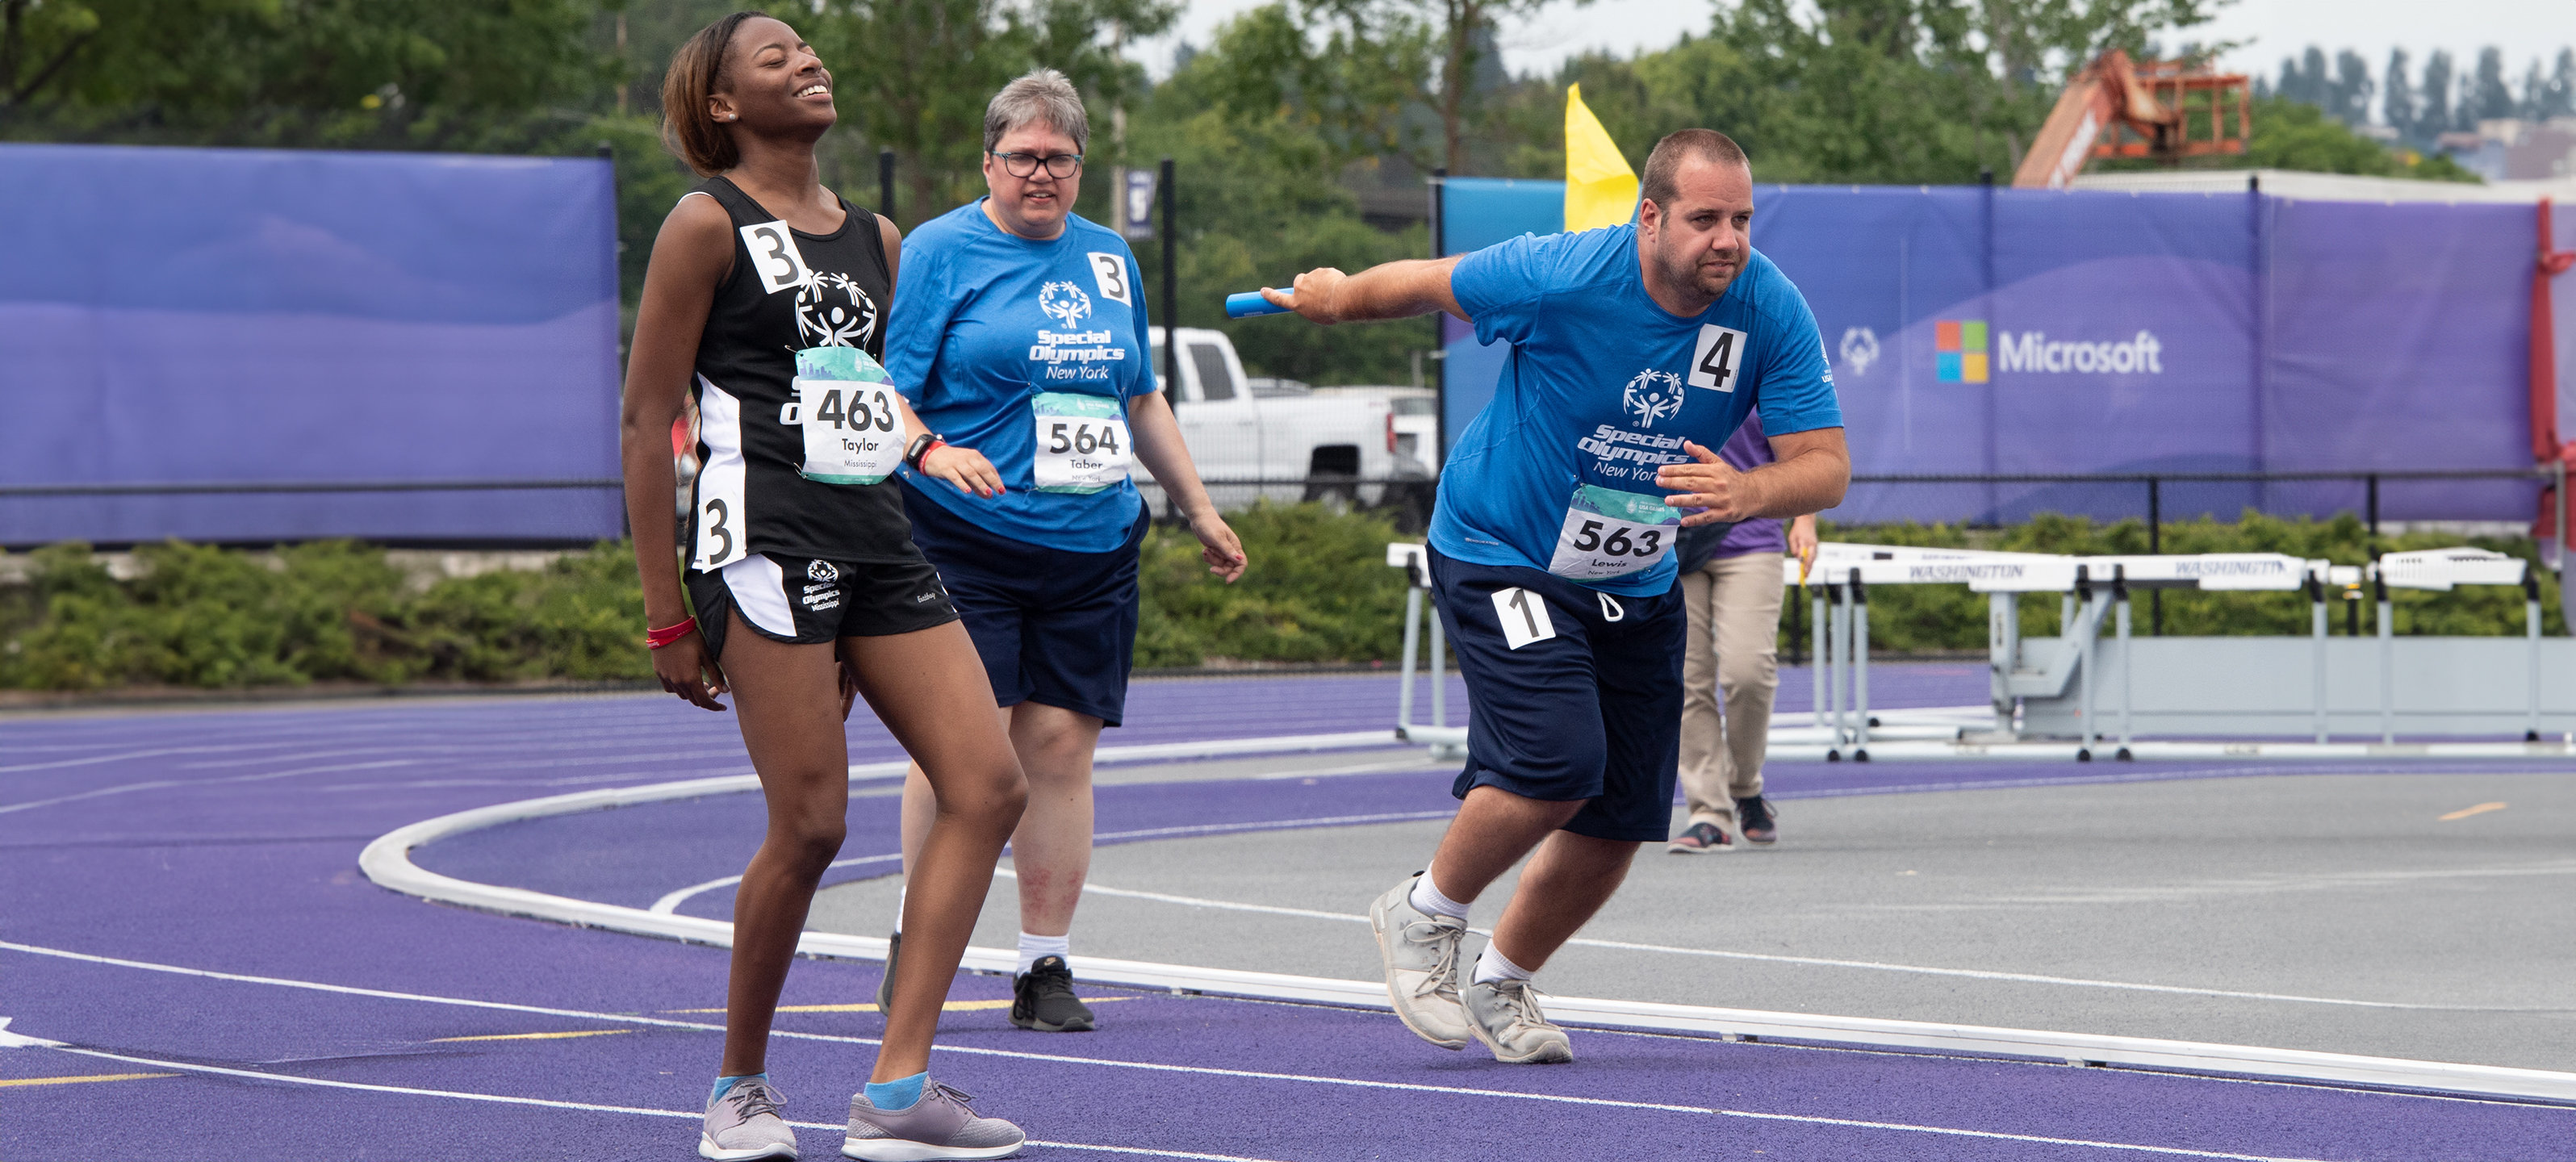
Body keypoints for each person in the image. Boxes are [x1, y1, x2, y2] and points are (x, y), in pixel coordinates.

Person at [1261, 128, 1847, 1064]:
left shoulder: (1770, 309)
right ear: (1649, 218)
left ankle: (1504, 979)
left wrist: (1750, 493)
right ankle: (1421, 914)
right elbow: (1423, 281)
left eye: (1741, 219)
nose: (1728, 241)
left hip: (1634, 576)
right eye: (1704, 220)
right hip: (1503, 553)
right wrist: (1336, 300)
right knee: (1556, 760)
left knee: (1620, 815)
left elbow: (1825, 467)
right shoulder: (1560, 274)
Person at [621, 13, 1031, 1160]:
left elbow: (858, 396)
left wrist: (927, 445)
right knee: (810, 825)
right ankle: (737, 1089)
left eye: (811, 49)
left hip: (878, 539)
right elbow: (646, 418)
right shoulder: (705, 225)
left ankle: (898, 1090)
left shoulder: (879, 239)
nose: (808, 61)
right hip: (763, 540)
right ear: (719, 103)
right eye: (776, 56)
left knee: (989, 785)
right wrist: (666, 612)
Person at [874, 68, 1247, 1034]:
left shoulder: (1111, 258)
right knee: (966, 746)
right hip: (967, 535)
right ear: (989, 162)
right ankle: (920, 941)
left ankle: (1045, 964)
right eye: (1024, 158)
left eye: (1061, 159)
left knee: (1059, 748)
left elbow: (1140, 396)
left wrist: (1197, 507)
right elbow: (886, 390)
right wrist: (931, 449)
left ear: (1082, 166)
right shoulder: (940, 250)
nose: (1041, 174)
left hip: (1092, 539)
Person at [1666, 411, 1818, 853]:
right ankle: (1708, 813)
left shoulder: (1763, 357)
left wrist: (1804, 521)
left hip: (1751, 537)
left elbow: (1803, 453)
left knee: (1747, 671)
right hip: (1670, 539)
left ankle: (1746, 785)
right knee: (1686, 682)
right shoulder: (1659, 359)